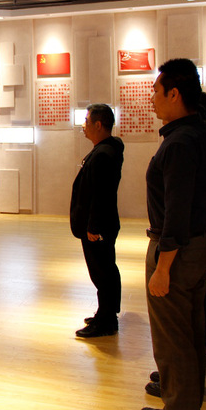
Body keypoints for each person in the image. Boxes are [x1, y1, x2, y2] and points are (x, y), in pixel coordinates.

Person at [140, 59, 206, 410]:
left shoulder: (180, 143)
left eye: (156, 91)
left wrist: (163, 268)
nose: (152, 98)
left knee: (173, 344)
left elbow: (176, 211)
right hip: (199, 245)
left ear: (174, 94)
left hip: (177, 252)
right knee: (190, 336)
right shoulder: (204, 131)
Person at [69, 103, 123, 338]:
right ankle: (106, 313)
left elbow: (102, 195)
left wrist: (93, 226)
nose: (83, 126)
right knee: (104, 269)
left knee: (102, 272)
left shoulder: (104, 154)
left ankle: (106, 320)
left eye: (86, 121)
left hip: (98, 226)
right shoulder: (107, 149)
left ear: (98, 125)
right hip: (101, 223)